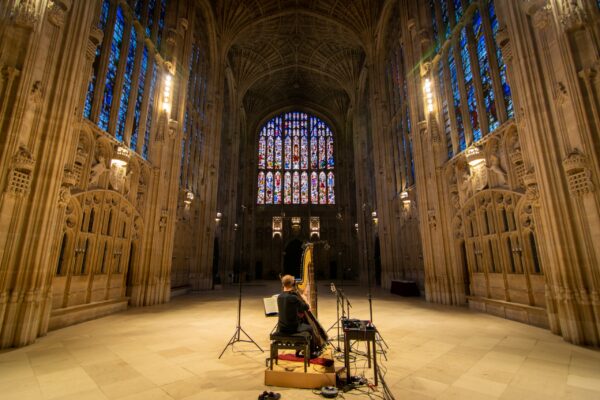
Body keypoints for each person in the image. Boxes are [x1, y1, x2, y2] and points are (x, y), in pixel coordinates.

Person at [277, 274, 316, 356]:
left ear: (283, 284)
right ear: (293, 284)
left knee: (301, 321)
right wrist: (304, 298)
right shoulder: (294, 298)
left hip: (281, 328)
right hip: (292, 328)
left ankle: (299, 348)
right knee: (310, 328)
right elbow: (306, 307)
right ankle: (312, 352)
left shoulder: (279, 297)